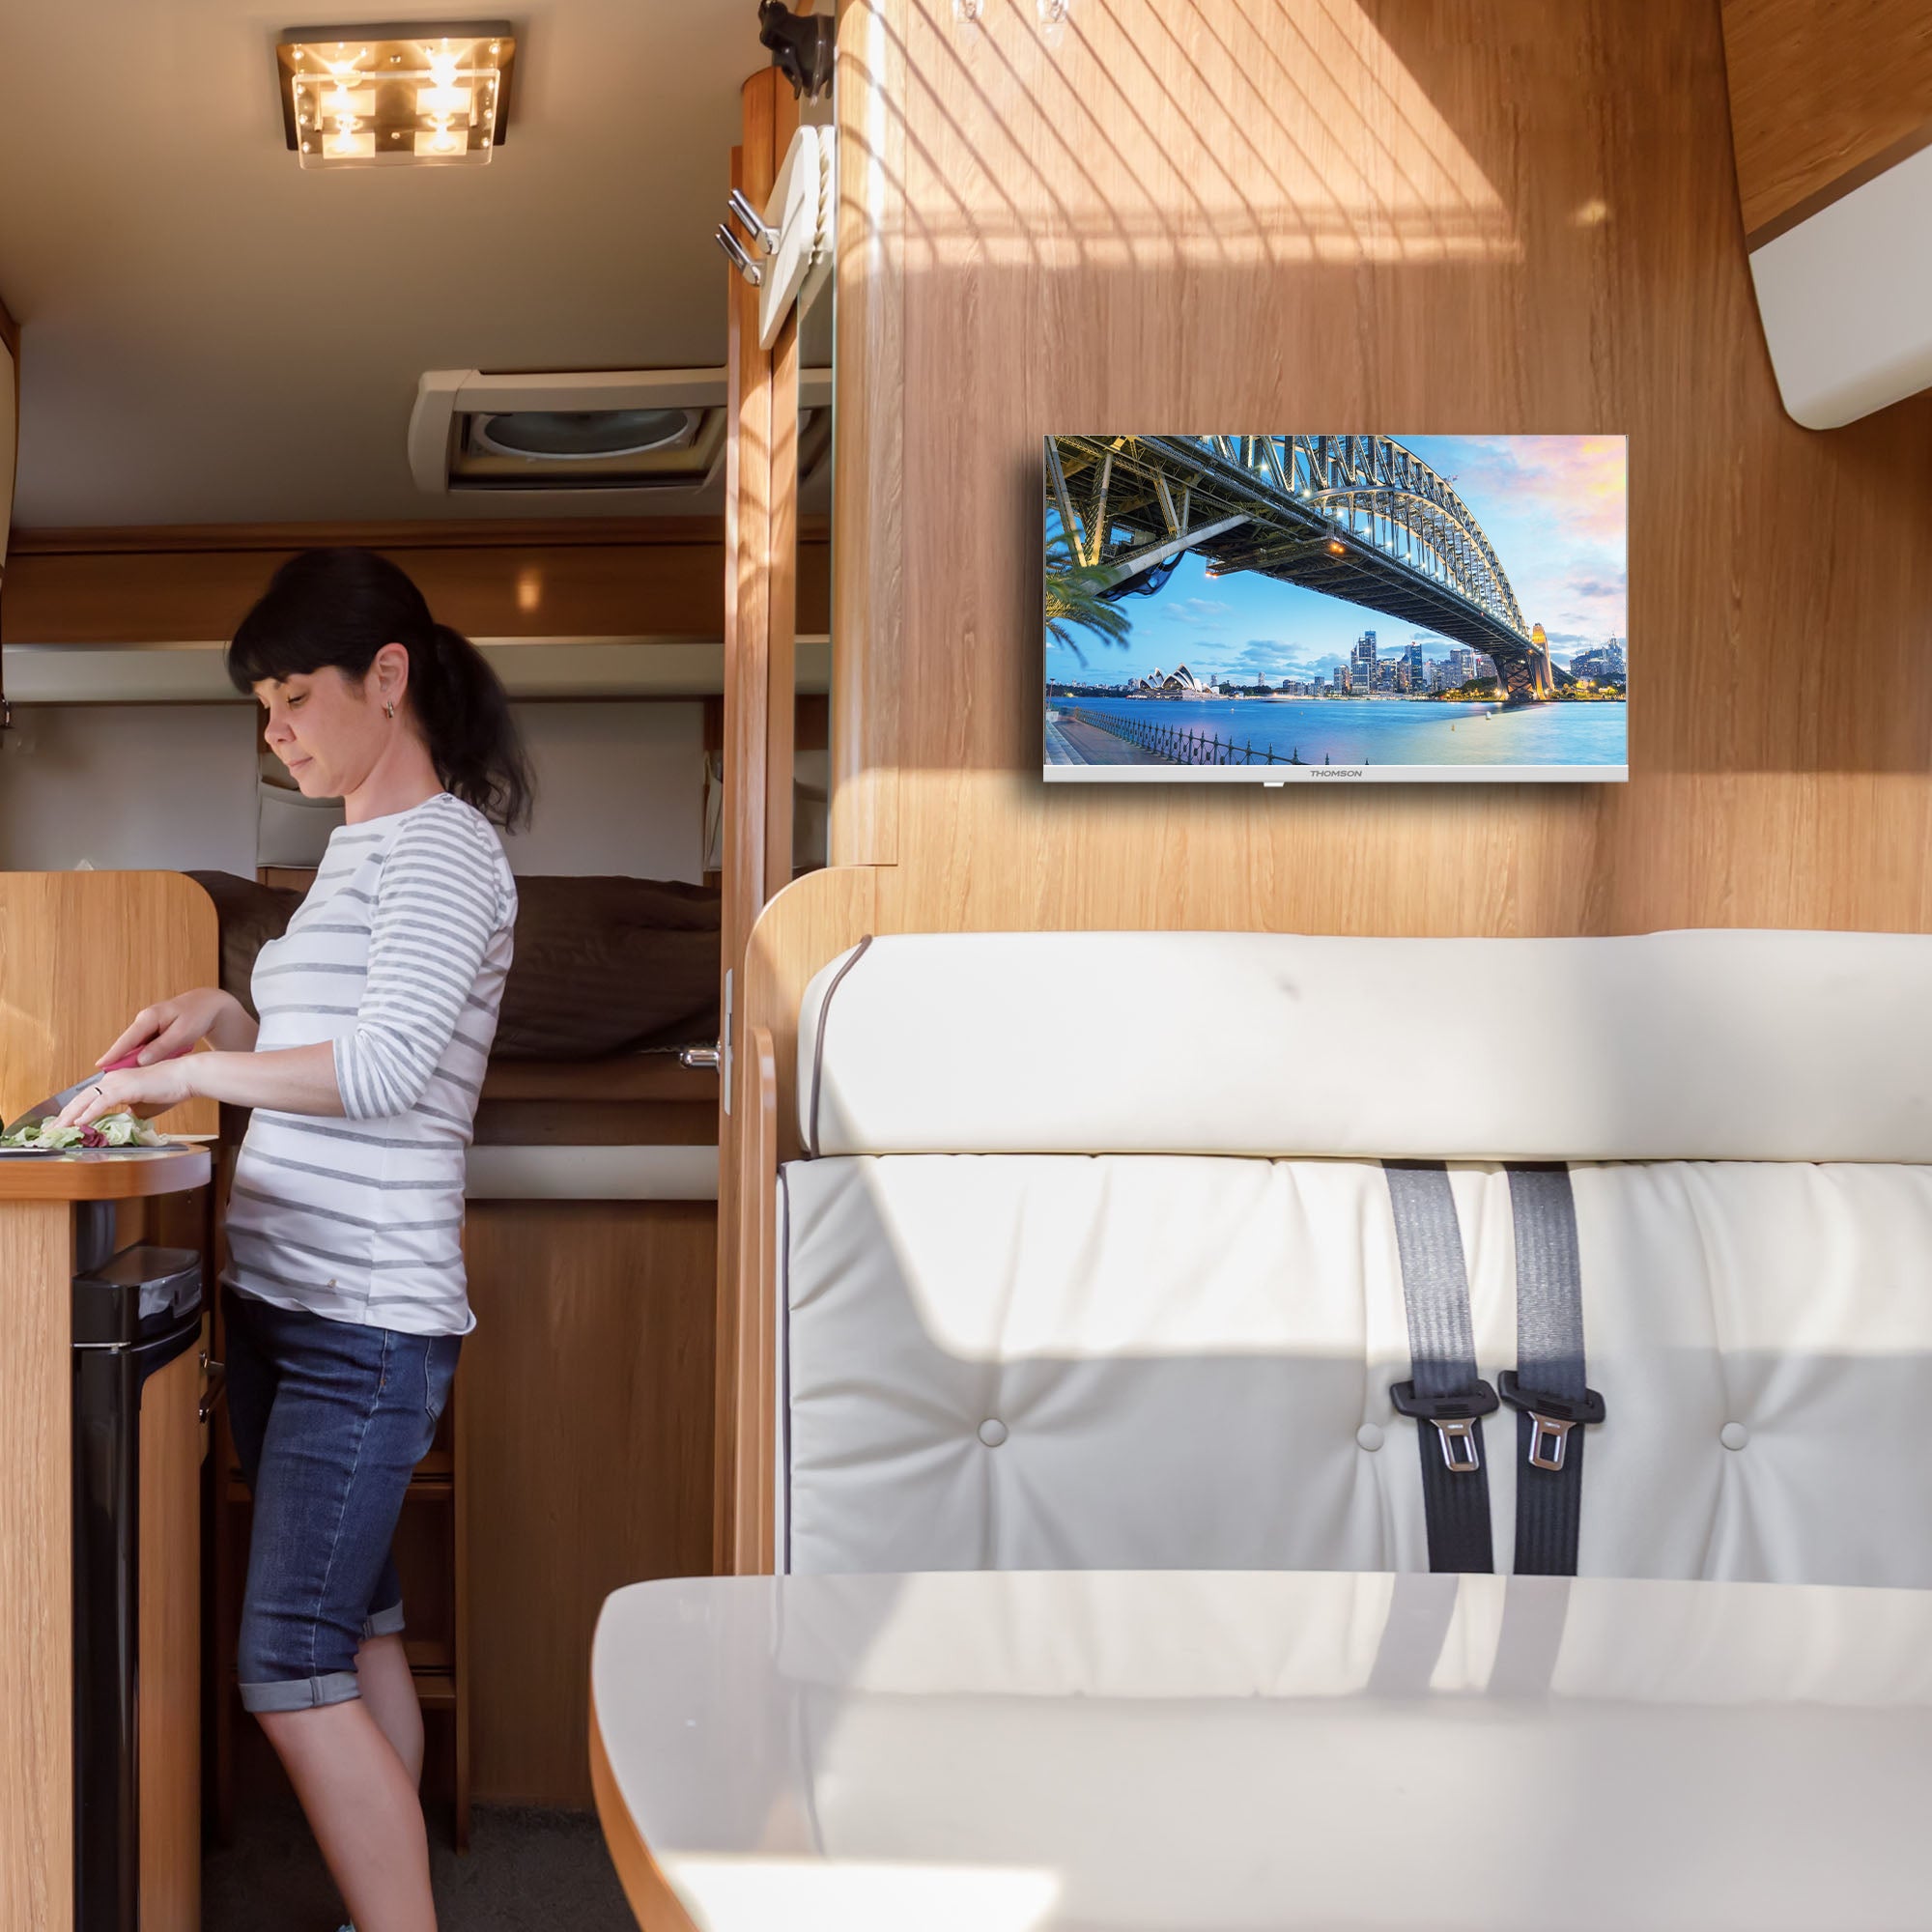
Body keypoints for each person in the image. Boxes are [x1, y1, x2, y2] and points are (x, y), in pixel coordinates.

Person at [57, 547, 531, 1932]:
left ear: (388, 681)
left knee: (287, 1661)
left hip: (366, 1320)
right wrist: (227, 1020)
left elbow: (384, 1074)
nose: (278, 730)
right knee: (360, 1624)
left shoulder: (446, 848)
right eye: (263, 706)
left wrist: (186, 1083)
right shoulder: (360, 848)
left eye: (295, 696)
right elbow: (332, 1048)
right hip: (291, 1296)